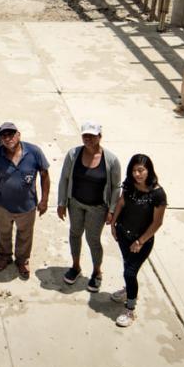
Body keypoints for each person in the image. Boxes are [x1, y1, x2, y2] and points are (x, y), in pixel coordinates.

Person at [55, 121, 122, 291]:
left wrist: (112, 210)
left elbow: (116, 187)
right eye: (85, 135)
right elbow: (64, 179)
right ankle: (76, 266)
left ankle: (97, 272)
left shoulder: (111, 160)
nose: (88, 139)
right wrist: (62, 203)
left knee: (93, 239)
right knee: (74, 234)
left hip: (98, 208)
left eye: (92, 135)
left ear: (100, 136)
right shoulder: (73, 154)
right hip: (75, 203)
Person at [0, 121, 49, 280]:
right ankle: (4, 255)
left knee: (25, 235)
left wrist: (45, 199)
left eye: (11, 134)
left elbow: (45, 175)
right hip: (3, 205)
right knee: (3, 233)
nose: (7, 138)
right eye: (4, 135)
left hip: (27, 206)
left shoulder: (34, 151)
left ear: (18, 135)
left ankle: (22, 260)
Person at [107, 153, 166, 327]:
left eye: (141, 170)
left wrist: (140, 241)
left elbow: (158, 222)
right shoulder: (130, 186)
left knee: (130, 272)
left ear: (149, 171)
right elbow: (121, 203)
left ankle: (130, 310)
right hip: (123, 235)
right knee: (127, 265)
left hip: (141, 242)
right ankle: (129, 290)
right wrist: (113, 224)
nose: (137, 174)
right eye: (134, 171)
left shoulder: (158, 194)